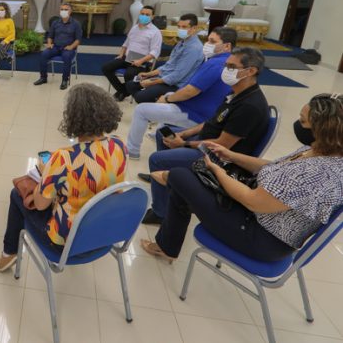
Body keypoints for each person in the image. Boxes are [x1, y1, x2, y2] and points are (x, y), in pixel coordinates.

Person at [140, 93, 343, 264]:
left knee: (179, 175)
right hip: (258, 218)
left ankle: (167, 234)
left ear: (322, 130)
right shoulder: (321, 150)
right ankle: (166, 245)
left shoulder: (317, 173)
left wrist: (217, 171)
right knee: (186, 181)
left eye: (303, 121)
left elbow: (252, 201)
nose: (298, 124)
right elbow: (275, 168)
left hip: (259, 238)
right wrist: (231, 156)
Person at [0, 83, 127, 272]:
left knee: (17, 195)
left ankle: (9, 253)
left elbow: (41, 205)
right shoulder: (119, 145)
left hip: (66, 242)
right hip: (104, 232)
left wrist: (46, 174)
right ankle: (9, 253)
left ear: (72, 118)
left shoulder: (64, 157)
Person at [139, 47, 271, 224]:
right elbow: (212, 121)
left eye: (231, 67)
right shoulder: (235, 93)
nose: (226, 70)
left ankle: (160, 213)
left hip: (218, 156)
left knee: (157, 159)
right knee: (163, 134)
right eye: (226, 66)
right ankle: (169, 183)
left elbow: (221, 145)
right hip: (207, 141)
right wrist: (185, 133)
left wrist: (183, 144)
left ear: (251, 71)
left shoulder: (250, 106)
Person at [125, 27, 238, 158]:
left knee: (141, 110)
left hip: (194, 114)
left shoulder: (215, 63)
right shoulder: (229, 61)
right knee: (167, 96)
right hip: (204, 110)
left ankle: (132, 151)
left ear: (227, 46)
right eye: (208, 41)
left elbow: (190, 91)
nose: (207, 44)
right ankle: (161, 134)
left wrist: (167, 99)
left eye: (212, 41)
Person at [126, 13, 204, 103]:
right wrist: (149, 74)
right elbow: (168, 65)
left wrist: (152, 82)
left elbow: (177, 76)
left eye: (184, 27)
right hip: (166, 78)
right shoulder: (182, 42)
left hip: (176, 85)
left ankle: (153, 107)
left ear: (194, 28)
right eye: (179, 26)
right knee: (131, 85)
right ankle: (152, 106)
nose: (180, 29)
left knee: (141, 96)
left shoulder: (193, 48)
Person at [101, 6, 162, 101]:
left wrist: (140, 61)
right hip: (127, 57)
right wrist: (121, 55)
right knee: (106, 68)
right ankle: (124, 91)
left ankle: (122, 92)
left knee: (129, 74)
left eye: (147, 15)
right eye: (142, 14)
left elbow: (154, 52)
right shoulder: (134, 28)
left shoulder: (155, 32)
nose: (144, 16)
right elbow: (126, 43)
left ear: (152, 17)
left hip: (142, 61)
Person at [33, 3, 83, 90]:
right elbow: (50, 36)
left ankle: (65, 80)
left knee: (67, 57)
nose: (63, 11)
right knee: (44, 54)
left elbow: (78, 39)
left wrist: (71, 47)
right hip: (55, 47)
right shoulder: (55, 23)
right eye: (62, 9)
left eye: (66, 9)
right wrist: (49, 44)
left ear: (70, 11)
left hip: (68, 48)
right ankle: (43, 77)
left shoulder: (76, 24)